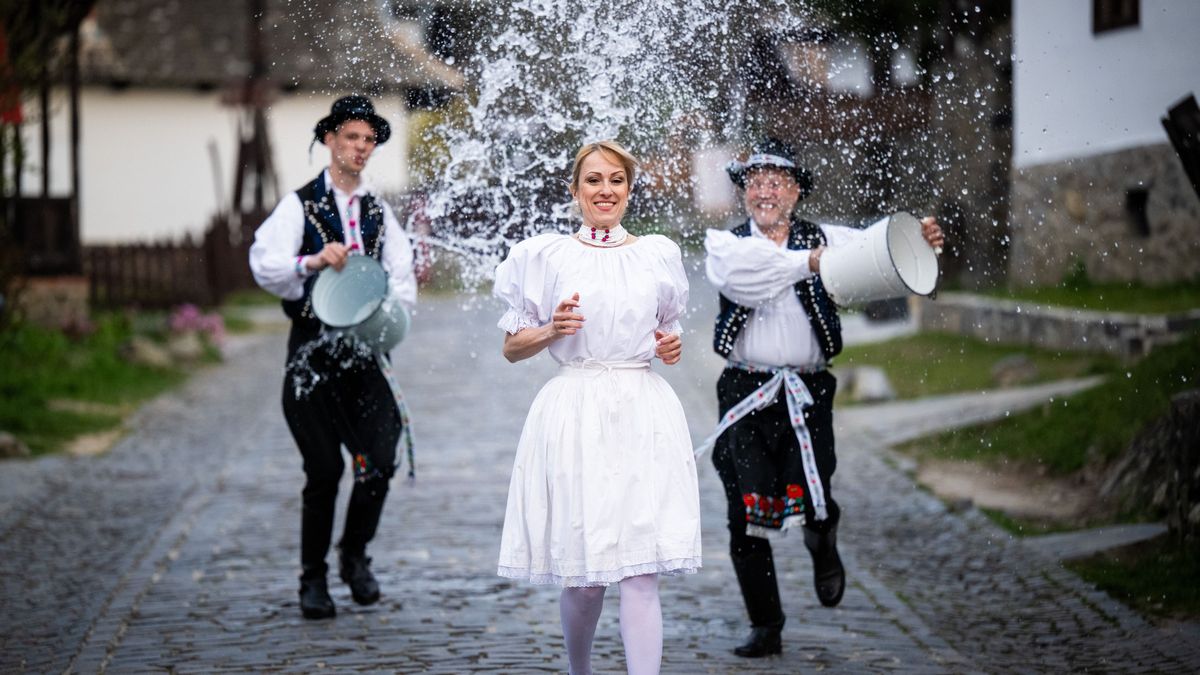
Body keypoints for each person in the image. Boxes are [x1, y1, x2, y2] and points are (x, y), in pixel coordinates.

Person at [702, 137, 944, 657]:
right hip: (745, 388)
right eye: (755, 181)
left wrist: (921, 239)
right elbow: (754, 279)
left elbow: (882, 254)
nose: (764, 189)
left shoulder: (826, 237)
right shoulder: (727, 247)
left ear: (795, 191)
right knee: (743, 511)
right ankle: (766, 625)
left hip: (809, 388)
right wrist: (812, 261)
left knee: (816, 489)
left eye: (776, 180)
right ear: (745, 191)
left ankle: (822, 540)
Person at [493, 140, 701, 675]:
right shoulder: (545, 257)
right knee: (584, 580)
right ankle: (579, 670)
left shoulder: (657, 254)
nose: (604, 190)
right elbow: (513, 349)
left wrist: (670, 349)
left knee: (640, 569)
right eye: (593, 180)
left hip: (643, 410)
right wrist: (550, 329)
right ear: (575, 189)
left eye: (616, 180)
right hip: (575, 409)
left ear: (630, 189)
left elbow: (667, 336)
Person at [248, 95, 417, 620]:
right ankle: (312, 579)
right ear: (330, 139)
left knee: (378, 462)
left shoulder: (378, 212)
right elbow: (264, 264)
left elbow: (404, 281)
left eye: (369, 140)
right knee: (323, 470)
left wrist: (387, 316)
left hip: (364, 359)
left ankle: (354, 554)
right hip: (312, 361)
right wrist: (313, 260)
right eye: (352, 137)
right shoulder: (300, 205)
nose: (362, 148)